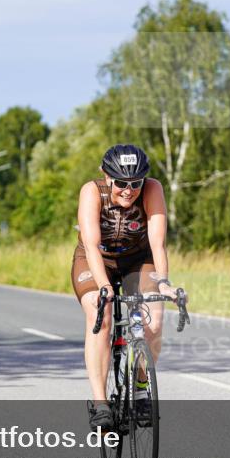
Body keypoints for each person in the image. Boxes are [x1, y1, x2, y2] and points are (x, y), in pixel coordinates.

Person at [72, 144, 182, 431]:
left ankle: (142, 386)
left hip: (138, 259)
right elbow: (93, 246)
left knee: (154, 320)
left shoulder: (153, 189)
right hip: (96, 260)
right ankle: (100, 405)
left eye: (135, 183)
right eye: (121, 183)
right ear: (106, 176)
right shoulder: (91, 192)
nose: (129, 190)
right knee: (101, 311)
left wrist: (165, 283)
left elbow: (157, 242)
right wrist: (106, 286)